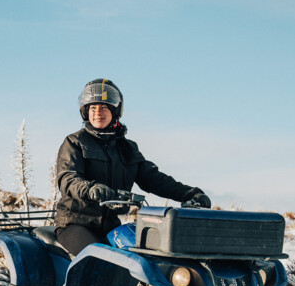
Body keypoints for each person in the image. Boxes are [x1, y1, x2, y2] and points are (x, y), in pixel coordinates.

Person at [55, 78, 211, 257]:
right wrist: (90, 189)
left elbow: (154, 179)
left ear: (115, 111)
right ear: (85, 112)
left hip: (109, 226)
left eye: (104, 107)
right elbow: (68, 178)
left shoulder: (127, 149)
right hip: (75, 224)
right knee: (100, 259)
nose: (98, 112)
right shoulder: (75, 142)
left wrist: (189, 194)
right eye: (93, 108)